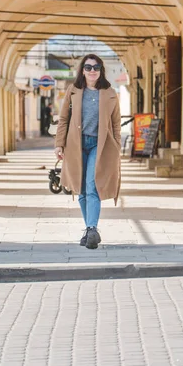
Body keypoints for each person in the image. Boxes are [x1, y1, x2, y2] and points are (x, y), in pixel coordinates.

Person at [54, 54, 121, 249]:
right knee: (80, 189)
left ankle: (92, 228)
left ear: (101, 71)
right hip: (76, 145)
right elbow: (64, 119)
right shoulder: (73, 91)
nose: (92, 70)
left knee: (92, 186)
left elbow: (116, 123)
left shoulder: (109, 93)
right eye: (88, 67)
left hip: (99, 146)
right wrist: (59, 144)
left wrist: (116, 146)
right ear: (82, 70)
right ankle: (89, 230)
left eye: (96, 67)